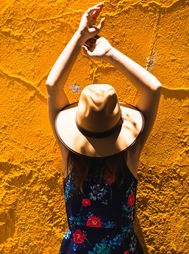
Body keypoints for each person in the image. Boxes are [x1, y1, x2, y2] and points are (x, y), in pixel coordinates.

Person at [45, 2, 162, 253]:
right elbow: (154, 88)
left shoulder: (70, 157)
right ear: (118, 127)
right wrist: (109, 53)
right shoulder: (130, 154)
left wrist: (80, 36)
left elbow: (52, 86)